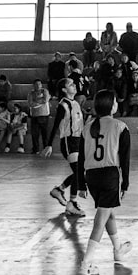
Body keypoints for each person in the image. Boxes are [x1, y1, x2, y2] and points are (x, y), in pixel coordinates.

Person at [75, 89, 133, 275]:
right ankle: (86, 263)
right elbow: (125, 159)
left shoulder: (87, 127)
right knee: (100, 219)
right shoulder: (120, 126)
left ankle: (118, 249)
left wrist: (81, 184)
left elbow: (81, 158)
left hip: (91, 176)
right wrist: (125, 184)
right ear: (112, 105)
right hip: (110, 175)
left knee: (108, 214)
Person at [45, 78, 88, 218]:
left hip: (78, 141)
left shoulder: (76, 103)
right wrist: (49, 144)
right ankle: (72, 203)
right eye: (71, 84)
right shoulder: (63, 105)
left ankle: (59, 190)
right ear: (64, 89)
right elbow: (56, 125)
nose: (74, 85)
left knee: (81, 172)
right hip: (69, 142)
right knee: (78, 172)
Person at [27, 78, 50, 155]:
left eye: (39, 84)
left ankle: (46, 148)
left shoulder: (45, 91)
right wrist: (39, 101)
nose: (38, 86)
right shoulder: (31, 93)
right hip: (34, 116)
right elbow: (30, 103)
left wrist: (36, 101)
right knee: (35, 134)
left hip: (44, 115)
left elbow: (45, 100)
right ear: (33, 85)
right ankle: (35, 149)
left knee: (45, 133)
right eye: (36, 84)